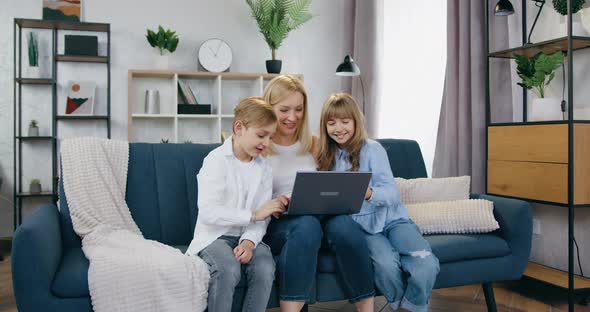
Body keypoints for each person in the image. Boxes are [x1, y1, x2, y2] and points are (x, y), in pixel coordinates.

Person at [317, 93, 440, 312]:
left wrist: (369, 193)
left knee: (426, 263)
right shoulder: (325, 156)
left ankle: (410, 308)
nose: (338, 128)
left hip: (394, 220)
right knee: (384, 266)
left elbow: (392, 193)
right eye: (332, 123)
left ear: (356, 121)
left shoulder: (372, 149)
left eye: (345, 121)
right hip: (363, 228)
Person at [262, 75, 375, 312]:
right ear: (269, 107)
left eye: (299, 109)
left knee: (345, 226)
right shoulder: (259, 145)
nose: (292, 117)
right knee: (306, 225)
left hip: (319, 217)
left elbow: (329, 184)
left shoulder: (314, 144)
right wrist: (273, 202)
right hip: (279, 223)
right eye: (284, 109)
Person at [186, 97, 288, 312]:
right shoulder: (215, 161)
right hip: (214, 236)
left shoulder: (264, 169)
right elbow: (208, 213)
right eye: (261, 135)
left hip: (247, 236)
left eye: (270, 137)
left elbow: (263, 218)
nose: (266, 143)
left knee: (264, 267)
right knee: (227, 268)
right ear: (239, 128)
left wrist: (249, 243)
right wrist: (252, 214)